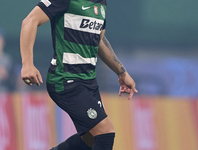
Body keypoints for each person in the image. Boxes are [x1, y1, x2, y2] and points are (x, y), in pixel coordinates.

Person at [20, 0, 138, 150]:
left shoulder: (101, 3)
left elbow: (99, 41)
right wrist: (27, 64)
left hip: (89, 82)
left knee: (90, 139)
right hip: (65, 79)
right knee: (105, 133)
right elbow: (30, 21)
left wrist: (121, 72)